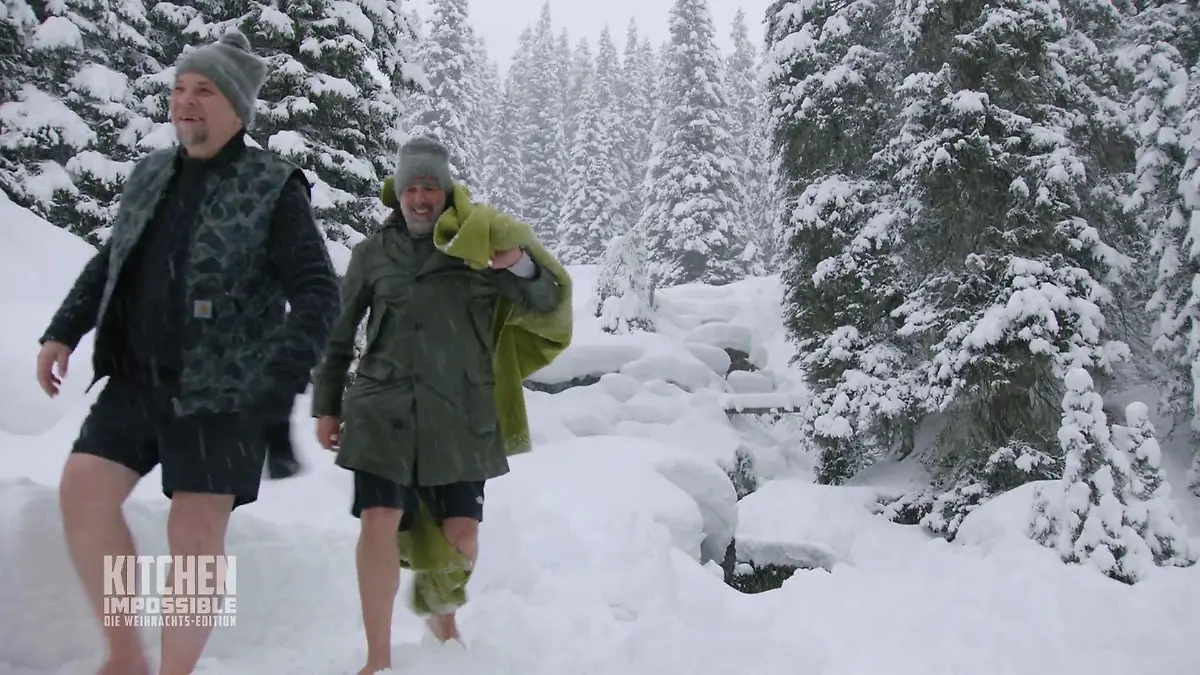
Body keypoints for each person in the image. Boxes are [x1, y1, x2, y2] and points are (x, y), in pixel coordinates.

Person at [34, 30, 341, 675]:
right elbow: (112, 258)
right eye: (179, 88)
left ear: (236, 108)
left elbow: (316, 287)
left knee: (196, 538)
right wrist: (64, 330)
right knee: (84, 492)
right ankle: (125, 656)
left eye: (203, 90)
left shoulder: (274, 185)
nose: (186, 101)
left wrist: (285, 372)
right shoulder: (150, 175)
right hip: (137, 379)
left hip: (227, 391)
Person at [311, 136, 569, 675]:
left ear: (446, 191)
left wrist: (518, 264)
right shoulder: (372, 254)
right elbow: (338, 333)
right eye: (412, 188)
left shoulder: (474, 248)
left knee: (462, 536)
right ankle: (377, 658)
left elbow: (547, 301)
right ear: (398, 193)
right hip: (384, 407)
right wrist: (327, 404)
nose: (421, 198)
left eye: (431, 187)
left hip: (460, 412)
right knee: (379, 519)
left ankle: (440, 617)